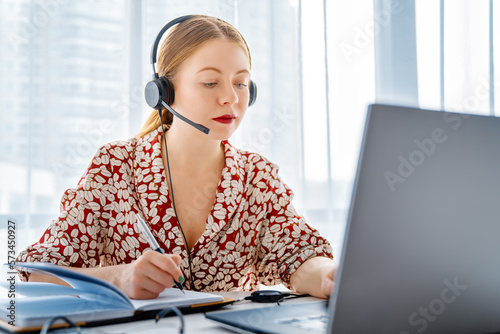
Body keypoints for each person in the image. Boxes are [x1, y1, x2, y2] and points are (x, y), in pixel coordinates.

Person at [16, 15, 336, 300]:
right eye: (210, 83)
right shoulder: (116, 167)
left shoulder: (258, 176)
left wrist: (327, 275)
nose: (231, 98)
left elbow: (299, 255)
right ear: (164, 92)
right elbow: (35, 275)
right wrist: (119, 278)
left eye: (241, 83)